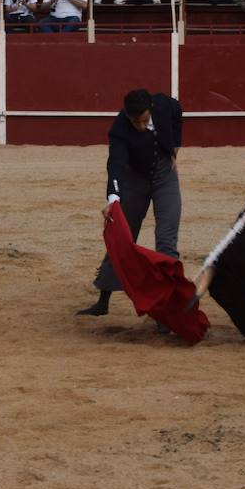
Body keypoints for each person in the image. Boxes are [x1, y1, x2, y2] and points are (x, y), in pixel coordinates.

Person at [77, 88, 183, 320]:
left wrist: (175, 147)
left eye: (145, 121)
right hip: (136, 178)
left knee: (167, 238)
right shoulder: (119, 129)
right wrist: (113, 198)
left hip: (165, 175)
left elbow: (178, 112)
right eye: (136, 122)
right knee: (123, 236)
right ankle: (103, 300)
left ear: (151, 110)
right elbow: (115, 164)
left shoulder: (165, 105)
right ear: (127, 116)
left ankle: (168, 309)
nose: (141, 126)